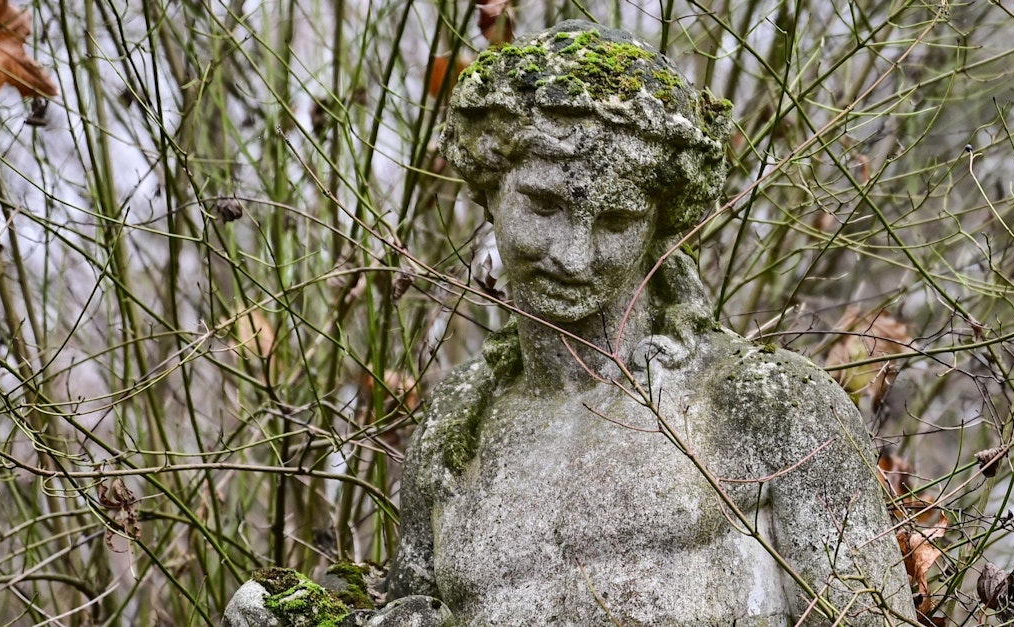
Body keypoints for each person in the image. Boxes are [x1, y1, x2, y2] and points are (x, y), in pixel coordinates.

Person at [385, 20, 916, 626]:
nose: (573, 256)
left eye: (616, 221)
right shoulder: (455, 429)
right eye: (544, 206)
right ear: (490, 188)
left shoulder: (771, 406)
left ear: (658, 227)